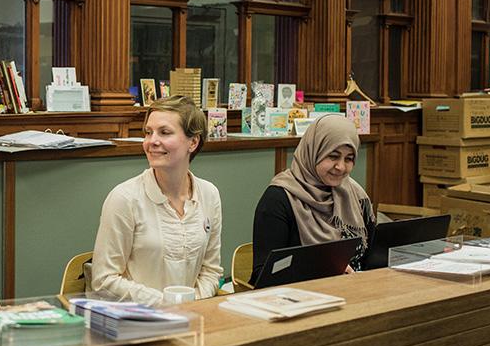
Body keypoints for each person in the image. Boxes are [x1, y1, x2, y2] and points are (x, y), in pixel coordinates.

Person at [91, 96, 223, 305]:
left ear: (193, 142)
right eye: (148, 132)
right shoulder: (124, 198)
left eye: (165, 132)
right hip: (138, 323)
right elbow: (103, 280)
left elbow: (211, 270)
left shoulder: (209, 194)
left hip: (194, 320)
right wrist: (167, 304)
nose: (152, 141)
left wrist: (195, 302)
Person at [252, 113, 374, 282]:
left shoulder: (355, 195)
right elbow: (263, 275)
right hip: (301, 300)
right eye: (333, 156)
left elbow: (371, 258)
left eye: (349, 159)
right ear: (314, 151)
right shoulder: (279, 199)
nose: (340, 167)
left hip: (357, 294)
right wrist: (321, 269)